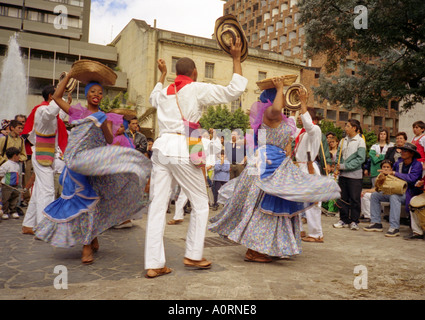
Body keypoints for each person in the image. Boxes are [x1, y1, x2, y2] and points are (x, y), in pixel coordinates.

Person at [144, 37, 248, 278]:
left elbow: (153, 97)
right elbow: (234, 91)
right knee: (201, 204)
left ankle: (154, 264)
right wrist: (235, 57)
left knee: (157, 206)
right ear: (194, 72)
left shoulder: (164, 92)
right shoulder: (195, 88)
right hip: (182, 147)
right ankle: (192, 255)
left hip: (161, 149)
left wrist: (162, 75)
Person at [208, 77, 340, 263]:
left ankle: (269, 247)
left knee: (275, 205)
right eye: (281, 95)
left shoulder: (281, 119)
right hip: (266, 165)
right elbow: (277, 108)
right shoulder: (270, 113)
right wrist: (279, 88)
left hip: (276, 162)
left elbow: (303, 129)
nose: (284, 98)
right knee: (264, 206)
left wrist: (302, 103)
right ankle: (254, 250)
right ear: (272, 98)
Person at [34, 71, 151, 265]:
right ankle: (88, 241)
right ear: (87, 94)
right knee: (82, 202)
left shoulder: (103, 116)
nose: (97, 95)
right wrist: (70, 75)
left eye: (100, 93)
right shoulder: (76, 112)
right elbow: (56, 97)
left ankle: (88, 241)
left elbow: (109, 140)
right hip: (75, 166)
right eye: (93, 91)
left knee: (93, 202)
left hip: (94, 165)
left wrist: (105, 123)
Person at [21, 84, 69, 235]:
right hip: (43, 154)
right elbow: (53, 112)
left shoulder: (48, 112)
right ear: (51, 97)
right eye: (57, 95)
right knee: (47, 191)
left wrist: (65, 100)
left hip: (46, 153)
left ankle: (29, 224)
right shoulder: (43, 110)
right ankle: (43, 227)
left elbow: (59, 115)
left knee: (39, 191)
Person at [363, 142, 423, 237]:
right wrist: (384, 176)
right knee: (375, 195)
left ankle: (394, 227)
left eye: (405, 151)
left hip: (409, 193)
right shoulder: (399, 162)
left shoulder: (417, 165)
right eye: (402, 150)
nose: (402, 152)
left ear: (412, 153)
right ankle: (376, 223)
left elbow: (412, 179)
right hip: (395, 189)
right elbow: (390, 173)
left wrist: (394, 173)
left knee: (395, 197)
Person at [291, 97, 325, 243]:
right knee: (297, 201)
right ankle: (300, 230)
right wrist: (292, 108)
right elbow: (291, 129)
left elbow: (309, 125)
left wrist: (303, 103)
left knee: (313, 203)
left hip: (309, 167)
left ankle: (317, 234)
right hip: (300, 167)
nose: (300, 118)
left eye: (302, 115)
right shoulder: (302, 132)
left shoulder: (315, 130)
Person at [333, 119, 366, 230]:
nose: (345, 128)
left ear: (354, 128)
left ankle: (354, 221)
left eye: (347, 126)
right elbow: (338, 156)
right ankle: (343, 219)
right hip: (343, 175)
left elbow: (360, 159)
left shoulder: (360, 141)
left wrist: (344, 166)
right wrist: (337, 168)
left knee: (355, 199)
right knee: (342, 198)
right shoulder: (343, 140)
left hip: (355, 176)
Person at [0, 147, 23, 220]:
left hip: (15, 185)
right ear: (14, 156)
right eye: (18, 155)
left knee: (14, 198)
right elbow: (1, 174)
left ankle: (13, 211)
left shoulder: (17, 165)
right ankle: (5, 211)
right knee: (6, 199)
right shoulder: (6, 165)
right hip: (7, 186)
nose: (19, 157)